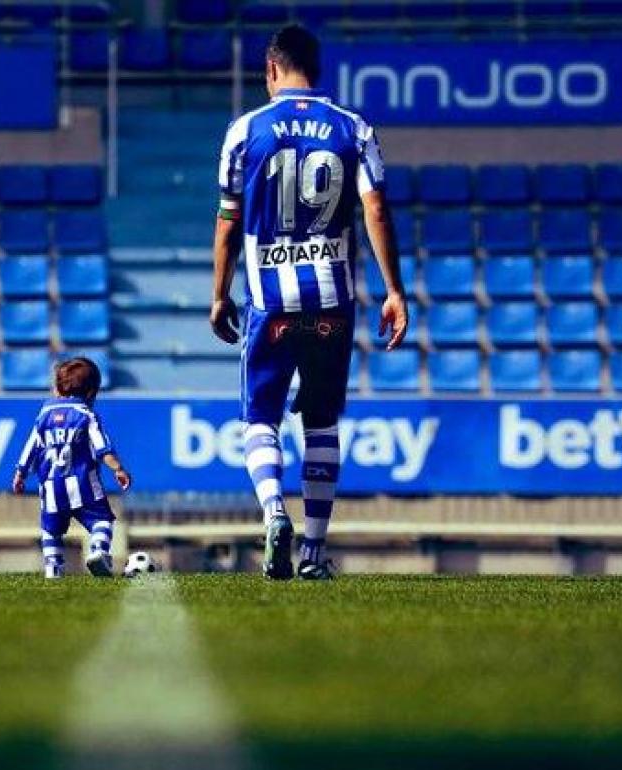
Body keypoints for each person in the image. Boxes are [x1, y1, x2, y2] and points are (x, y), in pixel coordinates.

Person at [210, 25, 408, 581]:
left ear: (272, 70)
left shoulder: (245, 130)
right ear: (316, 72)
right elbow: (376, 211)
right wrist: (394, 291)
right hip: (332, 301)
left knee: (260, 418)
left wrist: (218, 294)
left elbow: (227, 224)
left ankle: (274, 512)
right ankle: (314, 554)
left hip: (268, 301)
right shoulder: (354, 127)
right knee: (321, 422)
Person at [11, 357, 132, 579]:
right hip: (84, 484)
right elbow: (102, 448)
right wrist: (118, 469)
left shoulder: (44, 415)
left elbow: (30, 447)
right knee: (102, 521)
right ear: (91, 393)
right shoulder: (86, 415)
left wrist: (20, 473)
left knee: (50, 530)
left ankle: (52, 568)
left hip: (51, 487)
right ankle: (98, 550)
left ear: (57, 388)